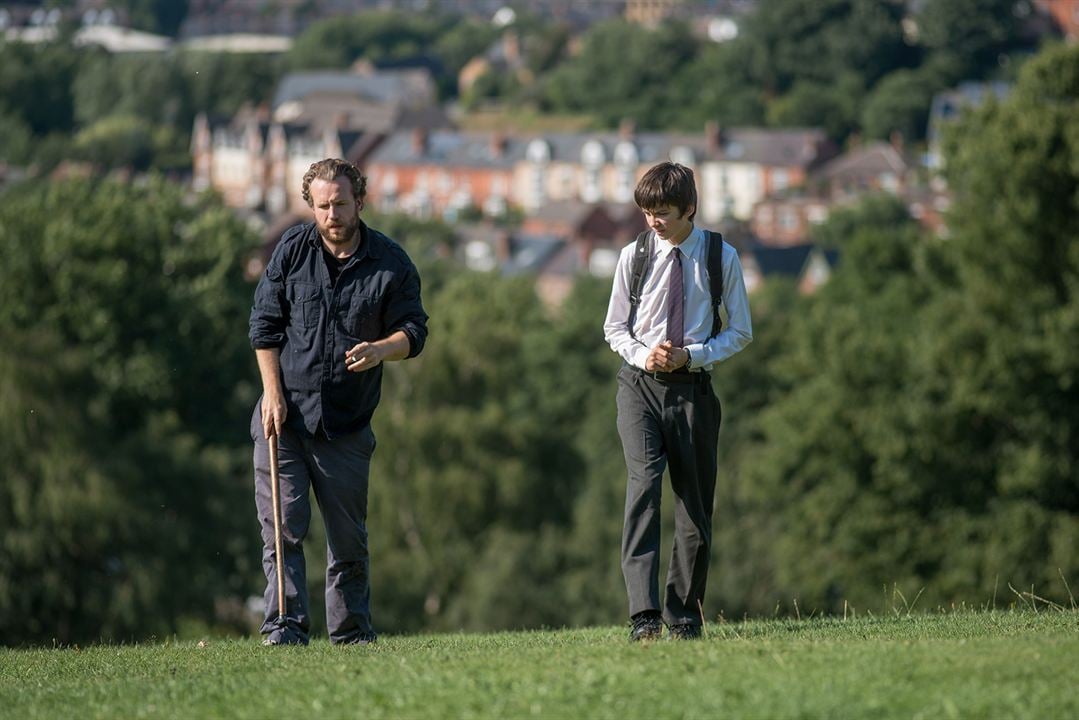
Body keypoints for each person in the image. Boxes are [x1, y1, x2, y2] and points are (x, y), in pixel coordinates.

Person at [249, 158, 428, 645]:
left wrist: (380, 350)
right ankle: (284, 626)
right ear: (312, 206)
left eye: (341, 204)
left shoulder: (390, 263)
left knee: (348, 541)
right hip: (282, 417)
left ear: (360, 202)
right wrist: (271, 393)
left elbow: (415, 332)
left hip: (346, 426)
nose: (332, 214)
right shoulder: (291, 251)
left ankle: (351, 634)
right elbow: (263, 326)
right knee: (283, 528)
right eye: (323, 205)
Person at [602, 162, 752, 641]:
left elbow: (741, 331)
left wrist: (693, 354)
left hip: (694, 391)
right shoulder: (634, 255)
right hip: (638, 387)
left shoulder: (719, 256)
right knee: (643, 487)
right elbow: (614, 329)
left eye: (662, 212)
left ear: (689, 208)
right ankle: (644, 618)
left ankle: (684, 617)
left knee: (694, 507)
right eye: (646, 212)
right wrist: (647, 356)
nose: (653, 221)